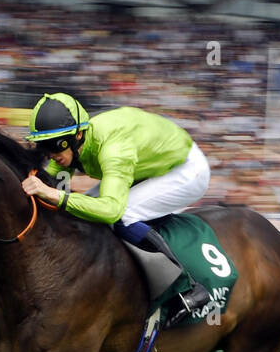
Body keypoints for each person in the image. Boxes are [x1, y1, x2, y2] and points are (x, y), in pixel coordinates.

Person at [21, 93, 212, 326]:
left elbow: (110, 209)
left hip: (185, 170)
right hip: (147, 164)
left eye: (55, 145)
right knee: (78, 211)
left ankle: (187, 288)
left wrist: (55, 195)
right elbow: (56, 187)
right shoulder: (70, 146)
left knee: (123, 214)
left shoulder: (113, 149)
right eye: (43, 146)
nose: (51, 153)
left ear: (78, 135)